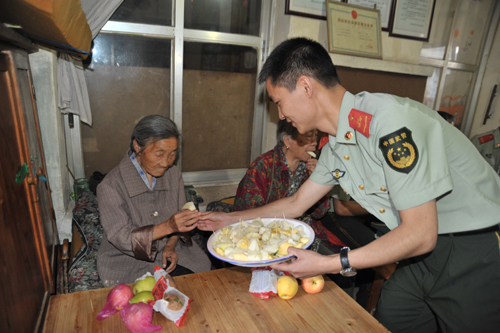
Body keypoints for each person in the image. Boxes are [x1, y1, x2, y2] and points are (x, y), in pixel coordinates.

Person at [199, 38, 500, 332]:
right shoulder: (336, 147)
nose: (280, 115)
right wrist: (229, 219)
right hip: (419, 254)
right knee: (392, 317)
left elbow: (421, 234)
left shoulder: (388, 122)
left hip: (473, 249)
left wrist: (329, 263)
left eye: (279, 102)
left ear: (305, 86)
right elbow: (294, 204)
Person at [97, 115, 210, 286]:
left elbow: (180, 220)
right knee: (147, 298)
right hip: (127, 261)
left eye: (172, 154)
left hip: (171, 251)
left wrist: (170, 245)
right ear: (137, 146)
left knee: (200, 283)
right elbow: (122, 237)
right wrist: (168, 226)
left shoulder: (173, 174)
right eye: (159, 154)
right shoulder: (110, 185)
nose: (166, 163)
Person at [233, 119, 343, 252]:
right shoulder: (263, 167)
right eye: (308, 137)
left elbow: (319, 213)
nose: (314, 142)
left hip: (303, 232)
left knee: (340, 263)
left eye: (315, 136)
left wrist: (319, 177)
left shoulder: (310, 166)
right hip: (266, 236)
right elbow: (247, 216)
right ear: (287, 140)